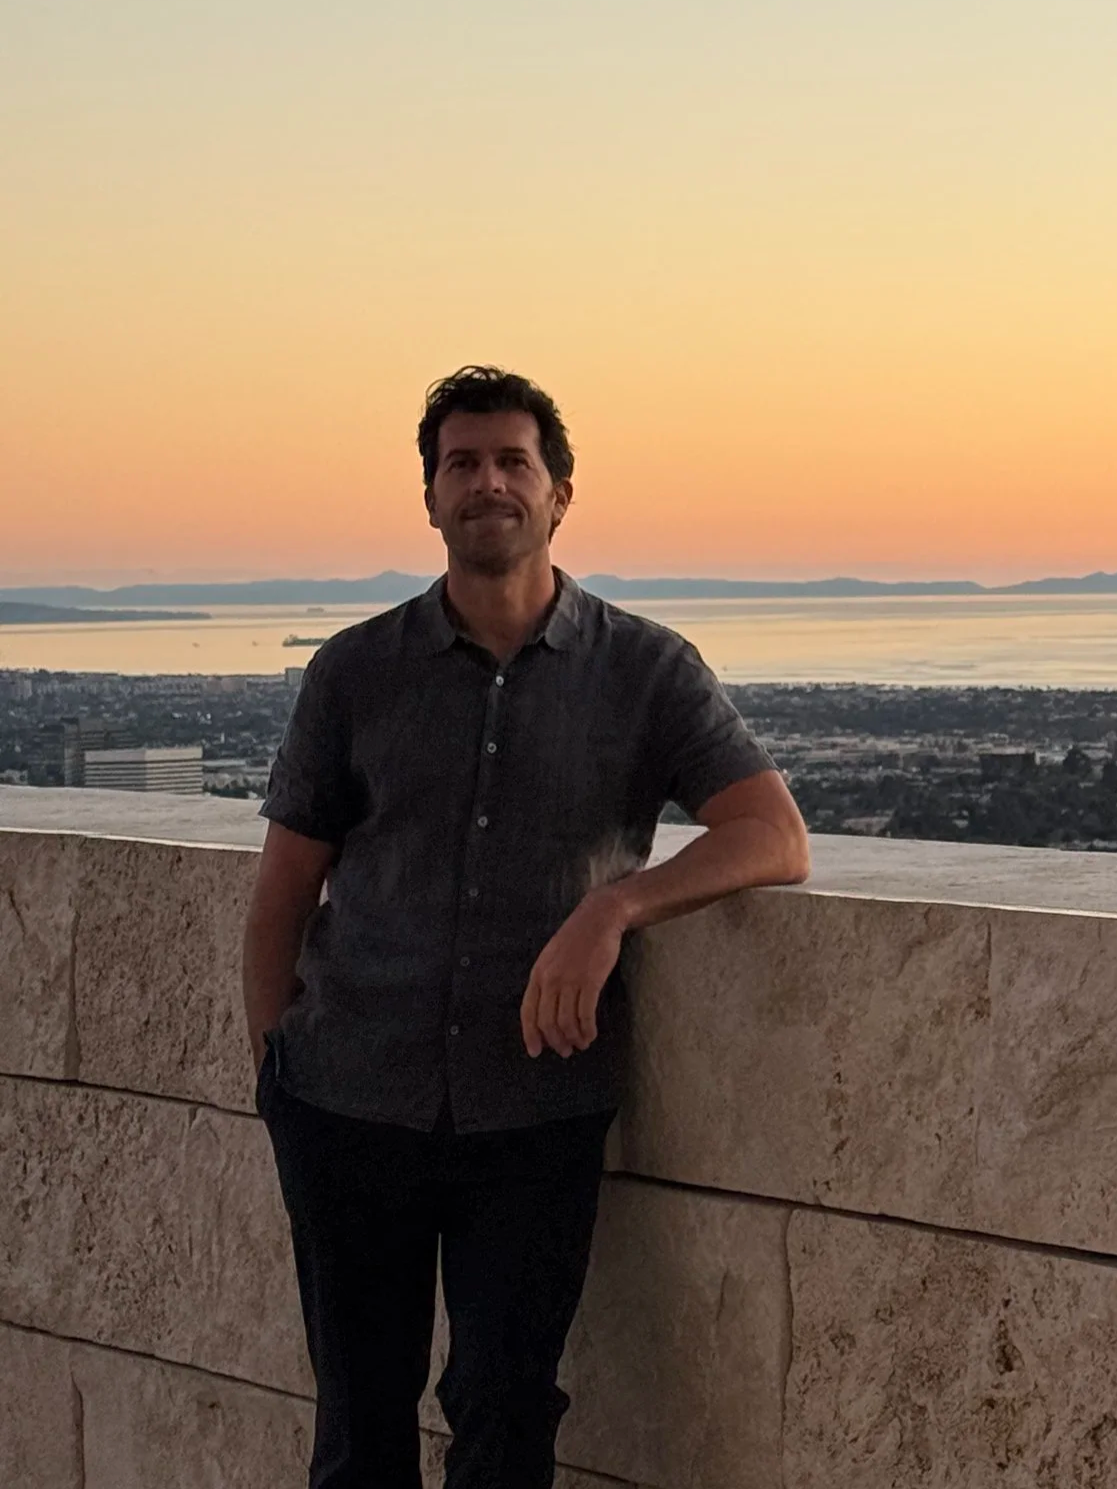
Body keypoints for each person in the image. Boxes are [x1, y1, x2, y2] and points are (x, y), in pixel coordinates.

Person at [242, 365, 810, 1489]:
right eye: (462, 463)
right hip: (349, 1104)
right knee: (359, 1425)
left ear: (559, 495)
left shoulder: (645, 670)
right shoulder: (355, 671)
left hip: (533, 1114)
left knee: (506, 1414)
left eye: (513, 462)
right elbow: (282, 890)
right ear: (430, 497)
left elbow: (772, 835)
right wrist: (279, 1078)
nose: (487, 482)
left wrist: (616, 904)